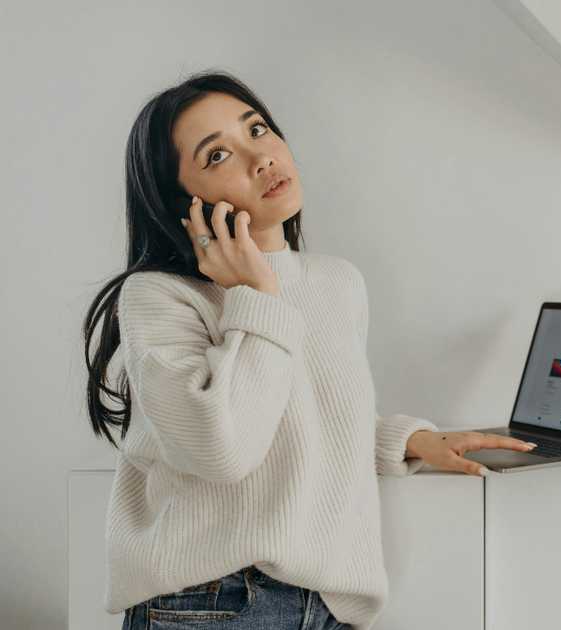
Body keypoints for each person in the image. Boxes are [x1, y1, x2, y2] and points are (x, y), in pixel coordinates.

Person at [80, 69, 537, 630]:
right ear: (184, 202)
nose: (261, 158)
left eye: (258, 130)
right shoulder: (160, 296)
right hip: (213, 601)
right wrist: (256, 292)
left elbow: (304, 418)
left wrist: (413, 441)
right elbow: (223, 447)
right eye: (217, 156)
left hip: (328, 606)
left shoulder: (336, 282)